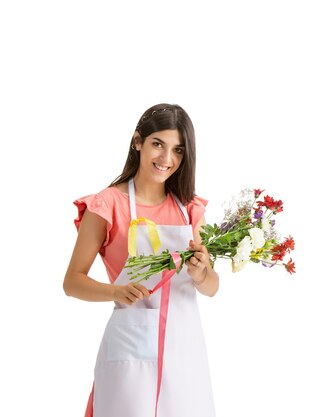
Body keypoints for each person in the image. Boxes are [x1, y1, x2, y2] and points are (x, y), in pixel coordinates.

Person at [63, 103, 219, 417]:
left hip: (184, 347)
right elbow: (72, 282)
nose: (166, 159)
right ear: (138, 142)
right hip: (131, 346)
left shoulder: (189, 208)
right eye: (158, 144)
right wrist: (116, 291)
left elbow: (212, 287)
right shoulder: (107, 204)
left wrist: (202, 274)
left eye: (178, 150)